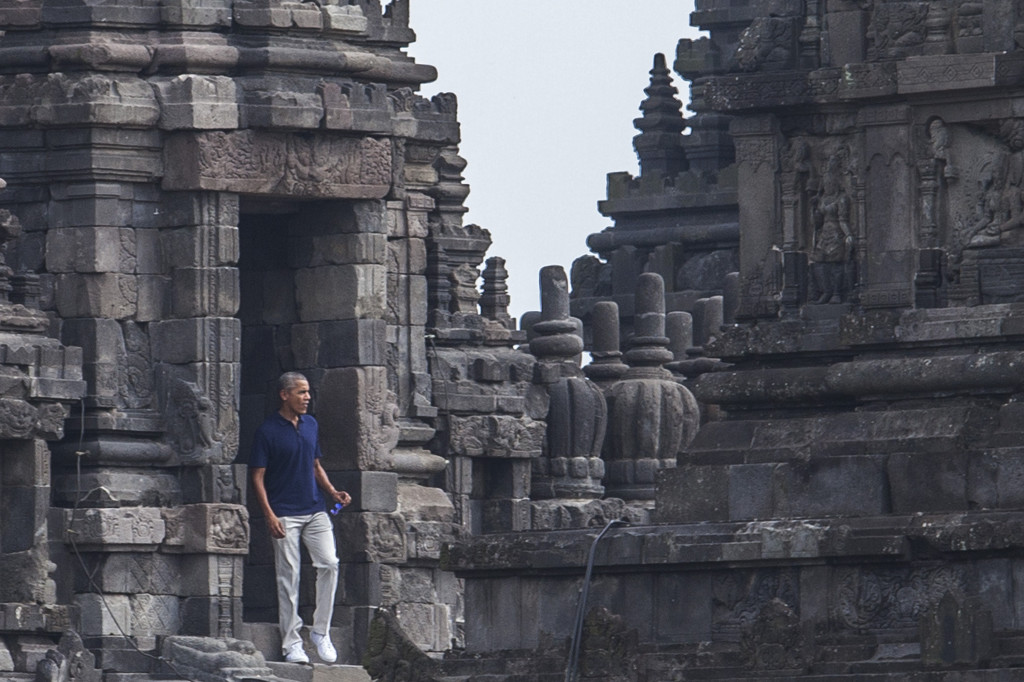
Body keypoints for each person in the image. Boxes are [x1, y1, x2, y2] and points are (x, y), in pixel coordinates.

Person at [250, 372, 352, 664]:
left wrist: (332, 492)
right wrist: (269, 515)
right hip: (284, 513)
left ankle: (320, 632)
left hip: (316, 508)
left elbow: (315, 464)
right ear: (285, 394)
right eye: (301, 392)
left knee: (330, 563)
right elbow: (257, 477)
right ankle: (292, 644)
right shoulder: (267, 431)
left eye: (308, 392)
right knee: (289, 577)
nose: (307, 397)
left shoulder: (311, 424)